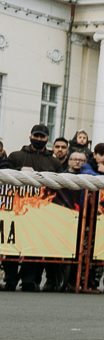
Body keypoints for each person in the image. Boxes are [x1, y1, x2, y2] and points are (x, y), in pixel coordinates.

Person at [4, 124, 64, 292]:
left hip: (41, 212)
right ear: (30, 137)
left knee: (33, 244)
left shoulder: (54, 162)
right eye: (36, 136)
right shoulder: (16, 156)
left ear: (47, 139)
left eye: (42, 137)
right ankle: (10, 279)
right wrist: (19, 170)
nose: (38, 139)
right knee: (11, 244)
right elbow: (4, 173)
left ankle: (29, 280)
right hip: (15, 209)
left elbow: (61, 185)